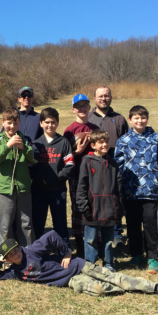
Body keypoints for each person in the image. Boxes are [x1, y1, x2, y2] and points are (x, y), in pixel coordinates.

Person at [0, 232, 158, 299]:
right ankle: (124, 289)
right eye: (11, 255)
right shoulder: (14, 272)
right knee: (98, 289)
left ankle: (156, 287)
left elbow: (52, 235)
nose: (16, 254)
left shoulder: (32, 251)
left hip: (78, 266)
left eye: (16, 249)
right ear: (8, 259)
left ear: (19, 247)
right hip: (71, 280)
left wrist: (67, 253)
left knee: (115, 277)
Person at [114, 105, 158, 274]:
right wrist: (119, 190)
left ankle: (153, 257)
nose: (140, 121)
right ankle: (136, 254)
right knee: (132, 225)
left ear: (147, 119)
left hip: (151, 191)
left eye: (143, 117)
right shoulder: (123, 141)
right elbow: (118, 166)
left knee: (150, 224)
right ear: (130, 120)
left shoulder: (157, 139)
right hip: (130, 191)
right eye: (136, 118)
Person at [76, 130, 124, 272]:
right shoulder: (87, 162)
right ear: (93, 145)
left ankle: (109, 264)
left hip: (110, 209)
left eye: (106, 141)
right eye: (101, 142)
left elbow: (118, 187)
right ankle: (89, 265)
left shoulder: (113, 163)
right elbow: (82, 187)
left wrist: (119, 206)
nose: (105, 144)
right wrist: (84, 206)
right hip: (92, 209)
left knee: (109, 240)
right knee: (90, 240)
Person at [0, 108, 36, 249]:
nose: (12, 126)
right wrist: (8, 145)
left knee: (26, 224)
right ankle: (5, 256)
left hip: (23, 188)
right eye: (9, 123)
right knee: (5, 225)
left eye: (15, 123)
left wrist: (23, 148)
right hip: (4, 190)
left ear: (19, 123)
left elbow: (34, 159)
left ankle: (28, 254)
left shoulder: (25, 139)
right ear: (3, 122)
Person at [88, 86, 129, 247]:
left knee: (115, 199)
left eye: (106, 96)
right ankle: (97, 233)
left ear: (111, 97)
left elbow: (126, 143)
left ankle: (117, 233)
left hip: (114, 168)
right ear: (94, 98)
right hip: (95, 168)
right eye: (100, 96)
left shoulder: (119, 119)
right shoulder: (90, 119)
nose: (103, 98)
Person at [31, 108, 74, 244]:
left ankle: (64, 249)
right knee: (38, 221)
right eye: (47, 122)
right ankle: (36, 249)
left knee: (60, 221)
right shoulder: (36, 144)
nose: (50, 125)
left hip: (58, 190)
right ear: (41, 123)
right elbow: (31, 166)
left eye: (53, 122)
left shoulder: (63, 143)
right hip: (39, 190)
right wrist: (40, 179)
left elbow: (70, 165)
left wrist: (58, 178)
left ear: (57, 123)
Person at [63, 94, 99, 258]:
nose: (82, 109)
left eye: (85, 105)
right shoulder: (69, 131)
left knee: (94, 206)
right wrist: (75, 152)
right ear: (73, 110)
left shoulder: (95, 128)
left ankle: (95, 243)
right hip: (77, 174)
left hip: (93, 174)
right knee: (78, 208)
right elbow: (65, 156)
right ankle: (80, 245)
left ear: (89, 108)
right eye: (78, 106)